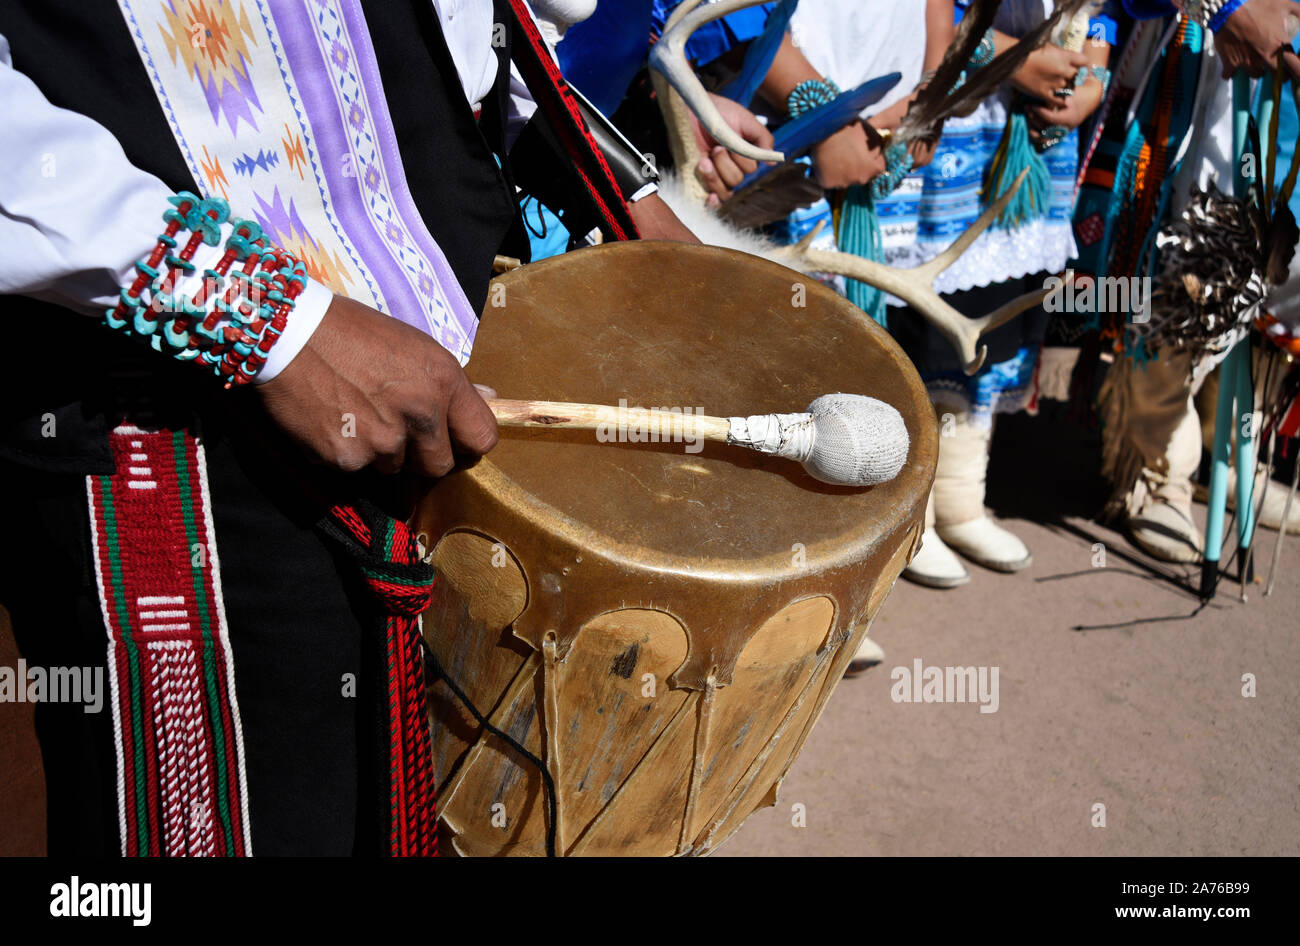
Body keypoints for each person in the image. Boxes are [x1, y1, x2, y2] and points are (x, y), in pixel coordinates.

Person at [0, 0, 700, 856]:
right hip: (181, 421)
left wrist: (610, 176)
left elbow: (471, 35)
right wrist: (263, 317)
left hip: (458, 364)